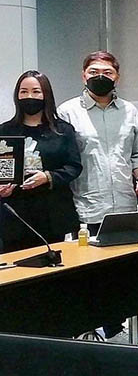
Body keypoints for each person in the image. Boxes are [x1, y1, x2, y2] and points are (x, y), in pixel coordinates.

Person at [57, 51, 138, 339]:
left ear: (117, 76)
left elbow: (136, 155)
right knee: (89, 273)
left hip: (124, 206)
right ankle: (86, 330)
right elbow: (64, 160)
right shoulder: (67, 112)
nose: (100, 77)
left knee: (121, 274)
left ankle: (115, 330)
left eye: (107, 72)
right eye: (93, 71)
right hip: (86, 206)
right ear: (83, 75)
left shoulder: (129, 111)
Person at [0, 71, 82, 252]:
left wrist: (47, 177)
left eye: (36, 91)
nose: (29, 96)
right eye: (24, 91)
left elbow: (74, 167)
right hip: (15, 215)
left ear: (46, 95)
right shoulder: (5, 131)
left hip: (54, 214)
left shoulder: (63, 130)